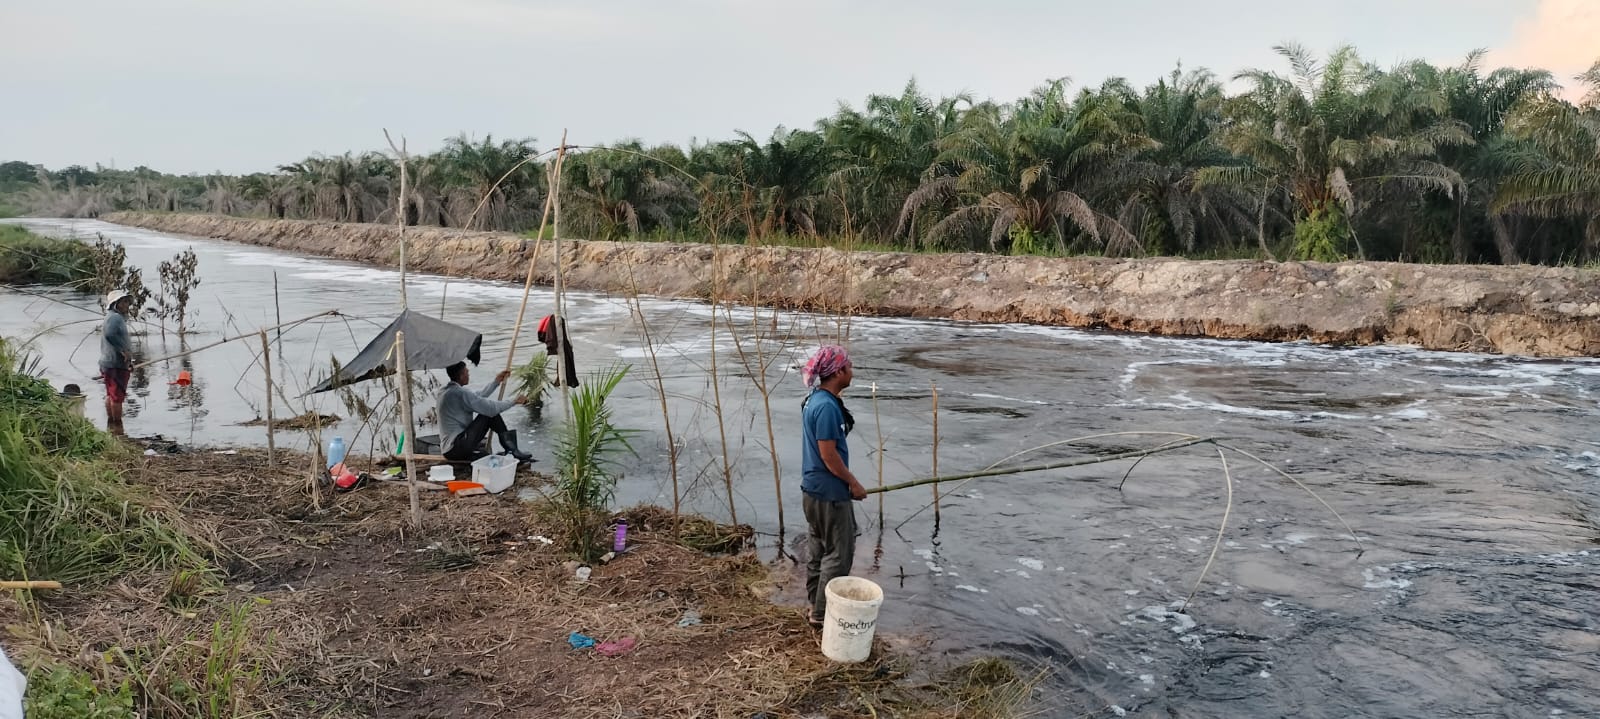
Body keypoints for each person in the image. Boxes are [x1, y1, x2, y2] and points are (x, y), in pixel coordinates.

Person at [799, 344, 866, 629]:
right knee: (838, 556)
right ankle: (822, 614)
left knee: (818, 550)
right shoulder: (826, 407)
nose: (852, 371)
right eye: (848, 367)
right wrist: (853, 483)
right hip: (830, 493)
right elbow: (828, 455)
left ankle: (815, 604)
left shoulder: (815, 399)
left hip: (812, 491)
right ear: (838, 372)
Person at [436, 362, 533, 462]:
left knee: (488, 413)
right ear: (461, 376)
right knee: (489, 415)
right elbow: (491, 409)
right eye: (467, 372)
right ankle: (512, 450)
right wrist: (514, 401)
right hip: (457, 447)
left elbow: (477, 397)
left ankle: (511, 449)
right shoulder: (460, 393)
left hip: (449, 450)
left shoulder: (445, 391)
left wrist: (496, 382)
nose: (468, 375)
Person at [99, 290, 134, 435]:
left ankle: (111, 426)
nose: (127, 305)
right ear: (116, 304)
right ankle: (118, 428)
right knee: (117, 397)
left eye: (127, 301)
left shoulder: (111, 317)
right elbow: (109, 334)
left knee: (110, 395)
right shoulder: (115, 319)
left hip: (107, 363)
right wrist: (123, 351)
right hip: (116, 364)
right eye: (124, 302)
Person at [537, 314, 579, 387]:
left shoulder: (554, 320)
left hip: (562, 345)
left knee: (564, 359)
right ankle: (565, 378)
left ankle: (564, 378)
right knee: (565, 359)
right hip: (562, 345)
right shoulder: (555, 320)